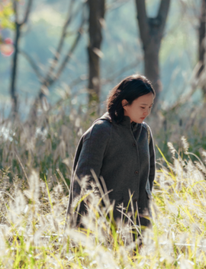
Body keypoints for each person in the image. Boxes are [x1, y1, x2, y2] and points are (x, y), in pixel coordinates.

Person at [66, 75, 156, 237]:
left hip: (137, 227)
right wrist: (80, 231)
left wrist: (145, 220)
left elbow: (148, 178)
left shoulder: (145, 133)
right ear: (125, 103)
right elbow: (84, 183)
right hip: (102, 228)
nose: (147, 112)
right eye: (142, 107)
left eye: (150, 106)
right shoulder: (101, 131)